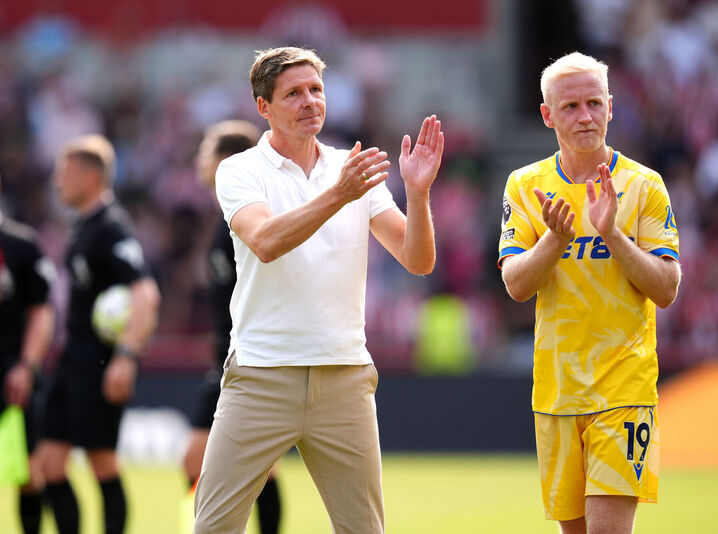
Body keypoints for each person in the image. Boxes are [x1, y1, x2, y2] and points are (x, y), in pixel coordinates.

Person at [192, 46, 443, 534]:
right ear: (263, 108)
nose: (310, 102)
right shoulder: (240, 170)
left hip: (345, 377)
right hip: (261, 376)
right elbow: (265, 241)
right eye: (293, 94)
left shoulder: (351, 171)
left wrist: (418, 192)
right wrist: (338, 194)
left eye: (316, 90)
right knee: (213, 528)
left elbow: (418, 260)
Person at [498, 52, 681, 534]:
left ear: (611, 107)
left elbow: (666, 289)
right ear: (547, 115)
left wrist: (613, 236)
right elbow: (516, 284)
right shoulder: (525, 186)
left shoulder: (644, 186)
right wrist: (555, 240)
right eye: (572, 106)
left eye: (594, 103)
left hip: (624, 387)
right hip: (557, 391)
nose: (586, 117)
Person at [38, 134, 161, 534]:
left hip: (100, 360)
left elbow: (145, 292)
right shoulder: (82, 228)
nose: (57, 181)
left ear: (91, 177)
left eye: (65, 172)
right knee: (48, 464)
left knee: (101, 461)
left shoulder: (112, 228)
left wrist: (126, 357)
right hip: (72, 357)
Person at [182, 120, 281, 533]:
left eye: (206, 150)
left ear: (227, 160)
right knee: (260, 469)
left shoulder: (247, 220)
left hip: (249, 356)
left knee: (198, 458)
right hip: (229, 354)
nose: (199, 159)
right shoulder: (224, 219)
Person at [0, 175, 56, 534]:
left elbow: (42, 312)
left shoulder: (19, 244)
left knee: (26, 473)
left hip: (9, 378)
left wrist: (26, 366)